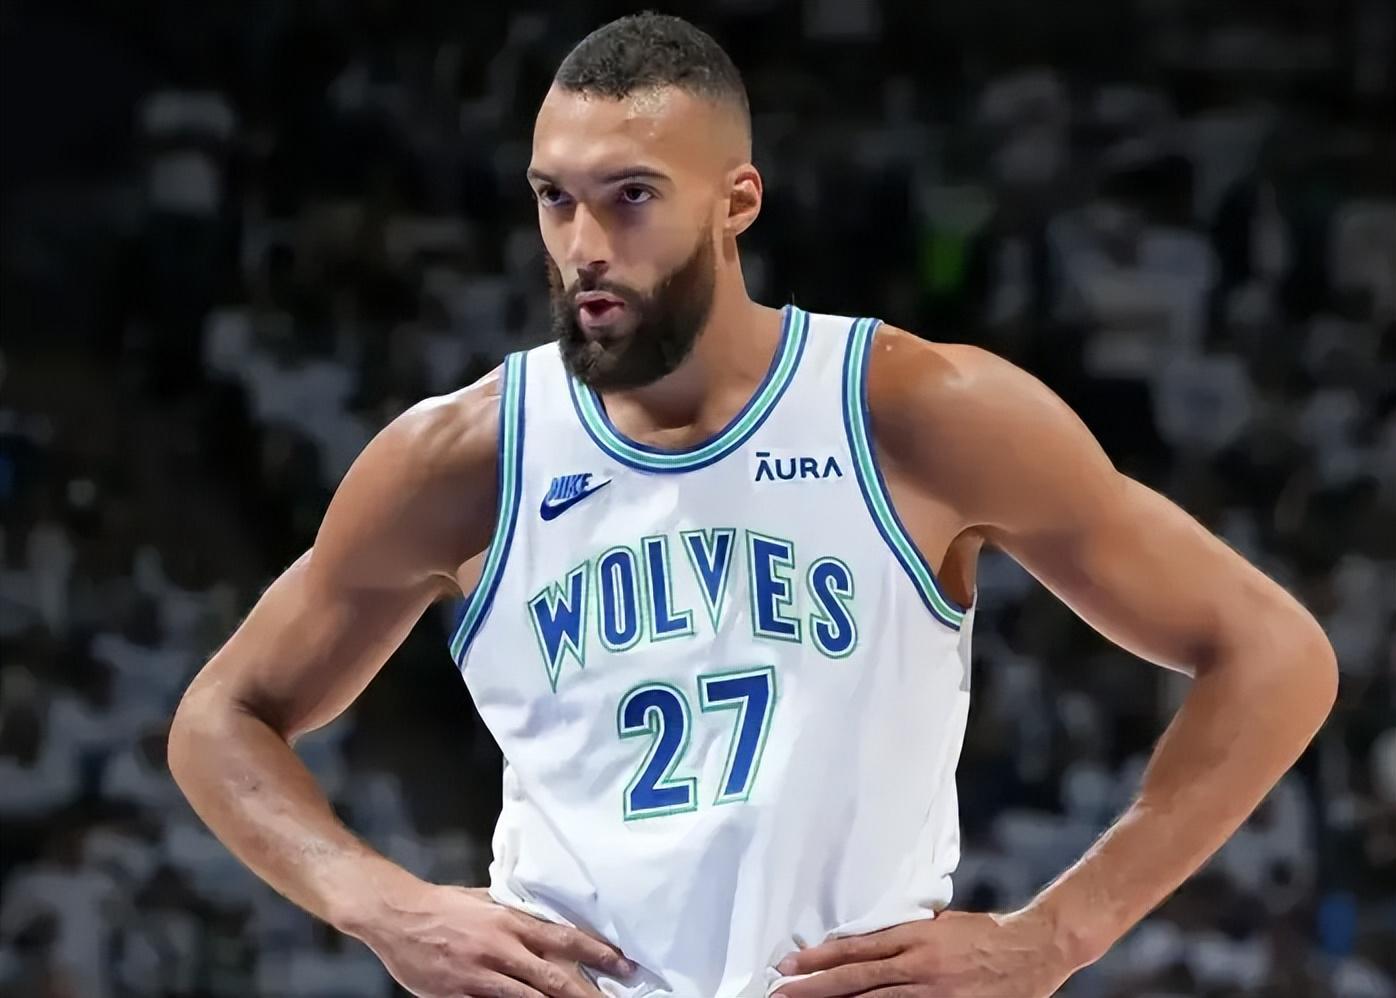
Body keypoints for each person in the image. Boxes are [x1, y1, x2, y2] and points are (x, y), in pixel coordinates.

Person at [168, 13, 1338, 998]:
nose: (583, 244)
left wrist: (1057, 934)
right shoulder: (465, 457)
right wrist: (379, 903)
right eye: (554, 199)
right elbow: (220, 716)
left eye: (629, 196)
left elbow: (1274, 653)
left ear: (738, 201)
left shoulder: (912, 410)